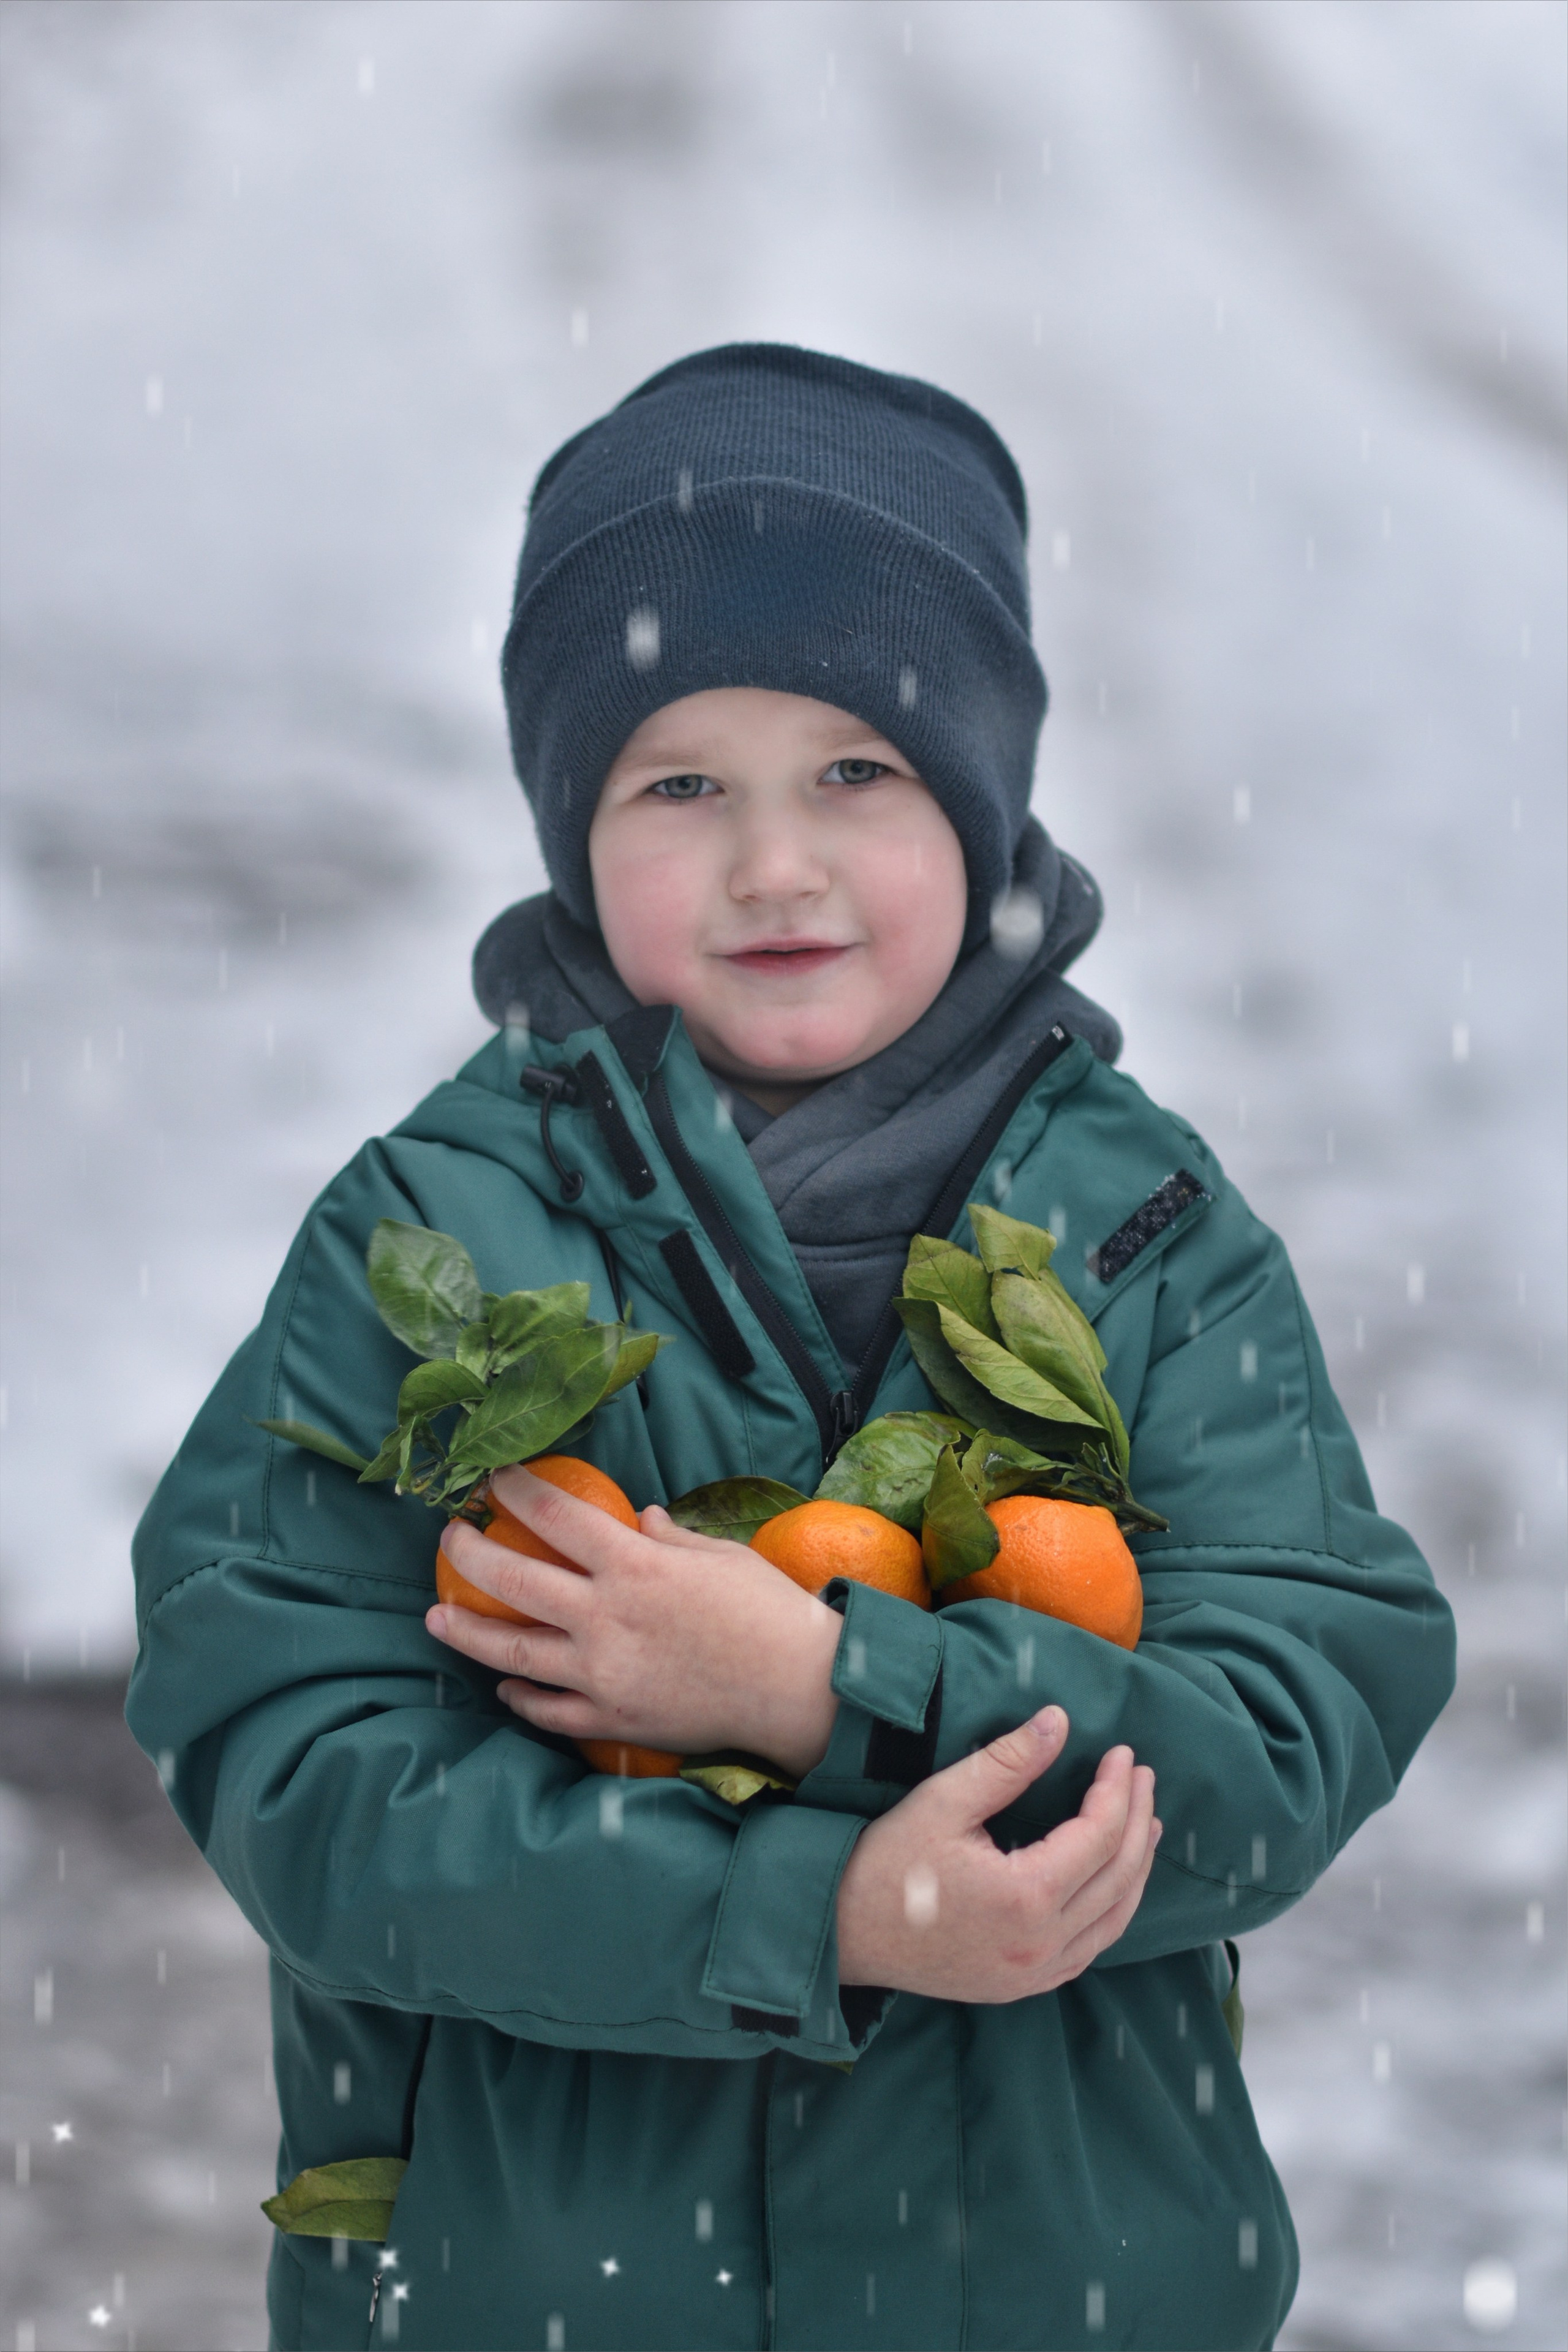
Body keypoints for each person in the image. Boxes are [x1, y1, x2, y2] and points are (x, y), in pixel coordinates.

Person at [127, 345, 1454, 2352]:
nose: (775, 865)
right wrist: (809, 1919)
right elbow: (291, 1760)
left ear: (984, 811)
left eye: (859, 770)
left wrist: (835, 1688)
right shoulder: (432, 1245)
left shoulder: (1141, 1234)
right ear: (575, 829)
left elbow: (1294, 1708)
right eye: (681, 785)